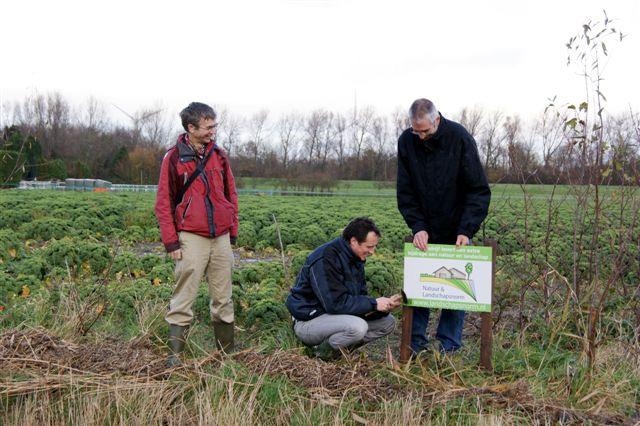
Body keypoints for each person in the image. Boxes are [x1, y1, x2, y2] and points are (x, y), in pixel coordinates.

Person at [397, 98, 490, 354]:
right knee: (420, 286)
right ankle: (415, 344)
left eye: (425, 131)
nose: (421, 137)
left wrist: (465, 230)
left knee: (455, 288)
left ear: (436, 120)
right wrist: (418, 226)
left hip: (456, 228)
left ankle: (447, 346)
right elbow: (405, 192)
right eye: (416, 131)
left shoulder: (460, 138)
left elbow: (478, 190)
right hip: (425, 230)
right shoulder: (407, 142)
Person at [155, 102, 238, 366]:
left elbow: (231, 194)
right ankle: (175, 359)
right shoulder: (173, 158)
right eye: (208, 126)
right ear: (191, 128)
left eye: (214, 125)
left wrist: (232, 232)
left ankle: (226, 358)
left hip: (221, 237)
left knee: (223, 299)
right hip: (191, 236)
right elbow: (163, 203)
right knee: (184, 299)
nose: (213, 131)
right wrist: (171, 242)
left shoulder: (220, 156)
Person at [285, 217, 401, 360]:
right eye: (369, 247)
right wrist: (374, 303)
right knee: (357, 328)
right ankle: (319, 355)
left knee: (387, 322)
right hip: (308, 321)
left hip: (333, 317)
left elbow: (357, 300)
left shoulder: (355, 259)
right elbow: (335, 304)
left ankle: (338, 352)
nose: (372, 252)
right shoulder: (325, 259)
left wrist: (381, 309)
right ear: (353, 241)